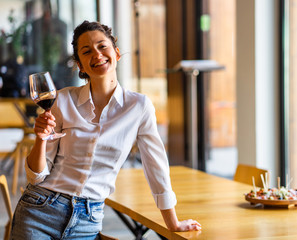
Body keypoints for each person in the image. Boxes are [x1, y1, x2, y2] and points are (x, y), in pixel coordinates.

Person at [11, 20, 201, 239]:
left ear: (117, 53)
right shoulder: (62, 100)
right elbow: (37, 177)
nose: (97, 54)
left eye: (102, 46)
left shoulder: (139, 107)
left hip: (88, 220)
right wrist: (41, 139)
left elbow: (155, 164)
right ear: (80, 65)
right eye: (86, 51)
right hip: (40, 210)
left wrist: (173, 222)